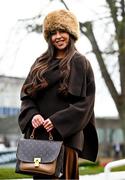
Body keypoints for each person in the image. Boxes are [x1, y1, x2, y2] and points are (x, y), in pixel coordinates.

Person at [18, 9, 98, 179]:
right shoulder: (40, 63)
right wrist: (33, 115)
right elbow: (27, 98)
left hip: (66, 140)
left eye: (62, 31)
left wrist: (57, 121)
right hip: (39, 141)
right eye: (53, 33)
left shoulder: (80, 62)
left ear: (71, 33)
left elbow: (86, 105)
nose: (58, 36)